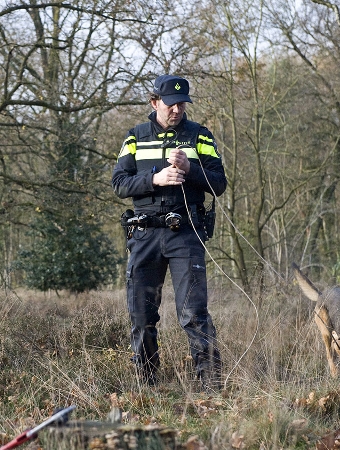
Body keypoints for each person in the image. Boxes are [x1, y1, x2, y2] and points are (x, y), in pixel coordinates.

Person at [111, 74, 227, 390]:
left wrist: (191, 171)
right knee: (141, 316)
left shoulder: (199, 136)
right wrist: (154, 179)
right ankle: (148, 386)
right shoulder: (134, 137)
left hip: (185, 234)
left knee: (193, 314)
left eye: (182, 104)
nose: (176, 110)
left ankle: (211, 388)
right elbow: (119, 184)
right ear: (154, 102)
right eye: (170, 104)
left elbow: (219, 184)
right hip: (144, 234)